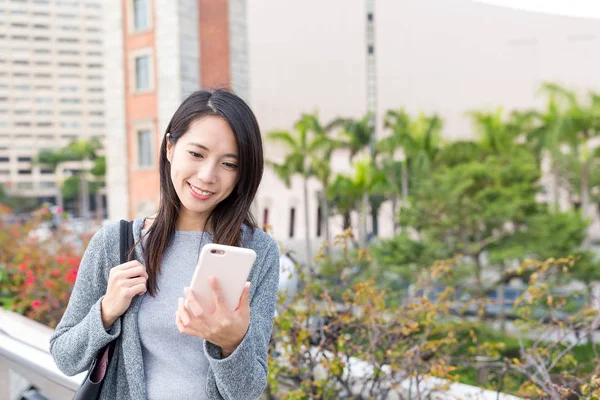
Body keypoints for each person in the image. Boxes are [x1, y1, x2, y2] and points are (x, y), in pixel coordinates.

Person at [50, 89, 281, 400]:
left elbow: (247, 392)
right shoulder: (115, 244)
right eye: (196, 154)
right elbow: (64, 357)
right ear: (170, 147)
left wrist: (230, 342)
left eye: (229, 164)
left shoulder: (259, 253)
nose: (207, 175)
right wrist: (106, 311)